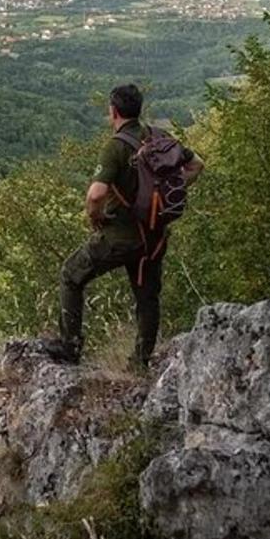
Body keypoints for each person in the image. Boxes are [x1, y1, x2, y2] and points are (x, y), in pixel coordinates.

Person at [48, 84, 203, 367]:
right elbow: (197, 165)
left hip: (119, 237)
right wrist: (165, 197)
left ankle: (70, 347)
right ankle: (140, 361)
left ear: (114, 111)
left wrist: (94, 216)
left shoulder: (116, 146)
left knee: (71, 275)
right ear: (139, 109)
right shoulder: (160, 136)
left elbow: (95, 193)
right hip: (154, 236)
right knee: (147, 297)